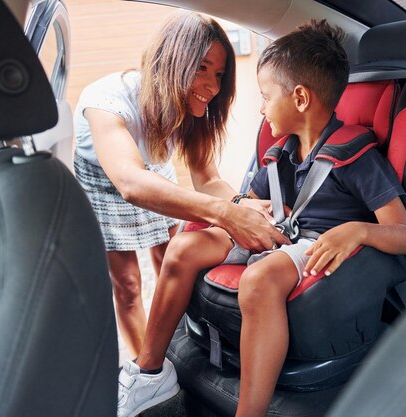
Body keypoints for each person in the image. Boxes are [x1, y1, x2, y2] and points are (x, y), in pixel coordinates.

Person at [117, 19, 406, 417]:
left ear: (300, 99)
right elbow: (250, 207)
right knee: (185, 246)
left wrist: (356, 231)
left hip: (319, 244)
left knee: (259, 279)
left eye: (265, 96)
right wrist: (241, 206)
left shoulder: (357, 158)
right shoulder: (279, 156)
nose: (260, 107)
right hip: (276, 233)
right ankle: (150, 373)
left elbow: (404, 235)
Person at [73, 12, 288, 361]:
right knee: (128, 285)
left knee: (168, 260)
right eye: (202, 68)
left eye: (218, 74)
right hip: (107, 180)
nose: (213, 86)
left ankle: (172, 352)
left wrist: (240, 203)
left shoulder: (195, 109)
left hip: (152, 169)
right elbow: (129, 181)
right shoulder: (105, 99)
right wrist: (226, 215)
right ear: (172, 61)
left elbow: (207, 179)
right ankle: (146, 370)